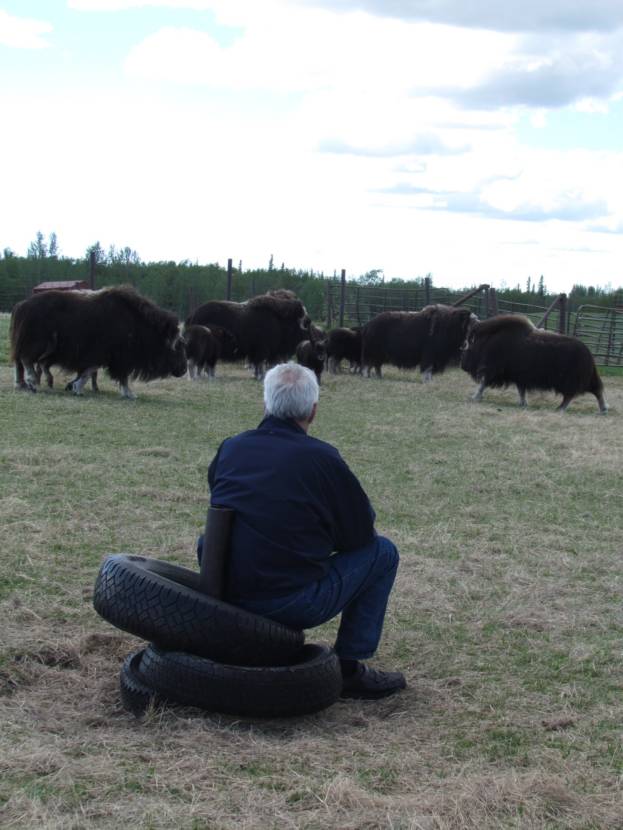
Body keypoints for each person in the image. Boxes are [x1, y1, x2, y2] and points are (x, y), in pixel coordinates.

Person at [198, 362, 406, 699]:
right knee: (383, 553)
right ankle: (349, 668)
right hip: (292, 602)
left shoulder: (231, 447)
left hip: (223, 593)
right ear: (313, 411)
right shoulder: (323, 459)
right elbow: (360, 536)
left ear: (265, 404)